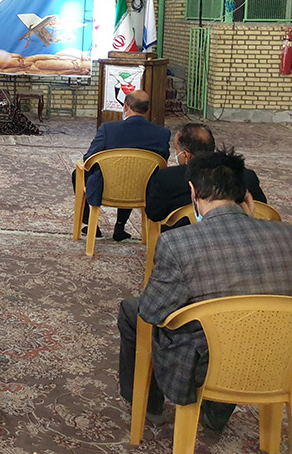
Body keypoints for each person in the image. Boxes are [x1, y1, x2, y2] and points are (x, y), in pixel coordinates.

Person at [117, 149, 292, 432]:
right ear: (245, 195)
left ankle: (148, 404)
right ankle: (217, 415)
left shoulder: (177, 243)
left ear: (193, 191)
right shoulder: (287, 235)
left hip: (206, 364)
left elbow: (151, 312)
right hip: (278, 358)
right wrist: (251, 220)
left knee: (131, 310)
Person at [74, 90, 170, 241]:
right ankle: (120, 226)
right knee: (134, 174)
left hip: (106, 188)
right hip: (142, 188)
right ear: (147, 110)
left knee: (77, 174)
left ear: (125, 107)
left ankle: (91, 224)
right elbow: (162, 163)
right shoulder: (162, 134)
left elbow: (88, 160)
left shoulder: (108, 129)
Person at [146, 123, 267, 224]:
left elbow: (154, 214)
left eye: (176, 149)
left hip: (183, 239)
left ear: (186, 155)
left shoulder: (168, 177)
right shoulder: (247, 176)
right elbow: (263, 212)